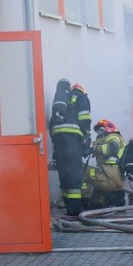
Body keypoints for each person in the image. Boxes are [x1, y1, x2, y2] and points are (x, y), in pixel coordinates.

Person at [48, 79, 92, 216]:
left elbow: (51, 124)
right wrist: (87, 135)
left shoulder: (61, 104)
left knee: (65, 173)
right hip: (72, 137)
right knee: (74, 173)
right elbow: (84, 116)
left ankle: (69, 207)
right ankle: (75, 209)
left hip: (58, 137)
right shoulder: (81, 97)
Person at [81, 119, 128, 209]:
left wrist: (94, 149)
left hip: (109, 177)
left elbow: (113, 148)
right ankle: (94, 199)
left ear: (108, 129)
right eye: (98, 131)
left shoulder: (113, 136)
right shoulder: (110, 139)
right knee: (89, 170)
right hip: (111, 177)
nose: (98, 133)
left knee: (80, 169)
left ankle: (84, 199)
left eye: (101, 130)